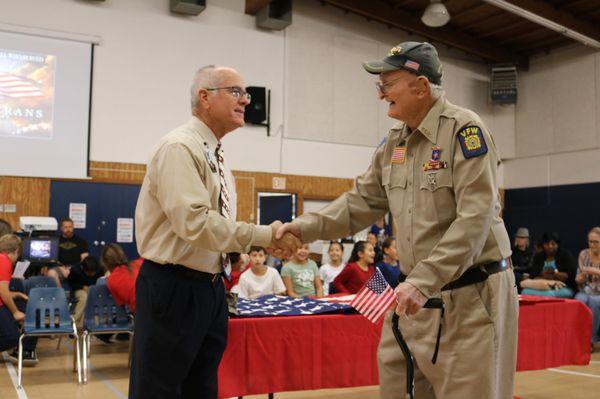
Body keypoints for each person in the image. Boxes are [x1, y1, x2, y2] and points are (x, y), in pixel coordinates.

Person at [275, 41, 517, 399]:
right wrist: (302, 228)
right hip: (413, 299)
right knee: (397, 389)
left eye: (387, 83)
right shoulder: (393, 144)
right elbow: (360, 203)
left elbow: (475, 218)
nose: (380, 93)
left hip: (470, 298)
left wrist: (423, 281)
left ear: (420, 87)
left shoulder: (464, 130)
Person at [131, 65, 298, 399]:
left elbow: (212, 224)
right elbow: (194, 222)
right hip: (173, 287)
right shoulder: (179, 148)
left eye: (245, 93)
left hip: (209, 288)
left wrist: (231, 255)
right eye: (235, 91)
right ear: (204, 98)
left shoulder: (216, 156)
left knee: (202, 388)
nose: (245, 101)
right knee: (160, 390)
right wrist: (264, 236)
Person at [0, 234, 39, 365]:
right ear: (16, 251)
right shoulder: (5, 261)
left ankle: (24, 350)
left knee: (31, 309)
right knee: (12, 337)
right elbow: (2, 291)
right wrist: (15, 312)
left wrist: (15, 294)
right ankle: (24, 349)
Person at [523, 232, 577, 297]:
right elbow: (533, 275)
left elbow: (570, 276)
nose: (550, 246)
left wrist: (553, 274)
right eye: (547, 244)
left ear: (557, 244)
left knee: (549, 294)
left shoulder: (565, 255)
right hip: (542, 286)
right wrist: (544, 274)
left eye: (553, 244)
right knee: (525, 291)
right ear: (543, 245)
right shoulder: (538, 256)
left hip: (563, 287)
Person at [574, 227, 600, 347]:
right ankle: (578, 337)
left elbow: (591, 271)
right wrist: (580, 278)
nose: (593, 244)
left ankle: (591, 339)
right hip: (585, 290)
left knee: (594, 302)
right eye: (591, 241)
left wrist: (595, 271)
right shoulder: (583, 254)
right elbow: (579, 276)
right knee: (579, 301)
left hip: (599, 293)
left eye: (596, 242)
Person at [48, 218, 90, 287]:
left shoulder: (81, 242)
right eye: (65, 227)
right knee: (51, 273)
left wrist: (73, 269)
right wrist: (62, 268)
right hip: (60, 268)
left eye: (70, 227)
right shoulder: (55, 241)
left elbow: (85, 259)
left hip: (76, 269)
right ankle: (60, 294)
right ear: (61, 228)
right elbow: (51, 258)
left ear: (73, 227)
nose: (68, 229)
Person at [101, 243, 141, 313]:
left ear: (106, 263)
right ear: (122, 255)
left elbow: (122, 303)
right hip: (160, 305)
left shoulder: (111, 281)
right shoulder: (138, 263)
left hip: (141, 313)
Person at [68, 256, 105, 328]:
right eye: (89, 272)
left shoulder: (99, 269)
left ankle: (80, 326)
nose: (92, 274)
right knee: (84, 298)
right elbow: (71, 284)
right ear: (83, 268)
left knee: (89, 299)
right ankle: (73, 321)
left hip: (93, 289)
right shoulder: (75, 270)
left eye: (93, 272)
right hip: (78, 289)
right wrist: (82, 287)